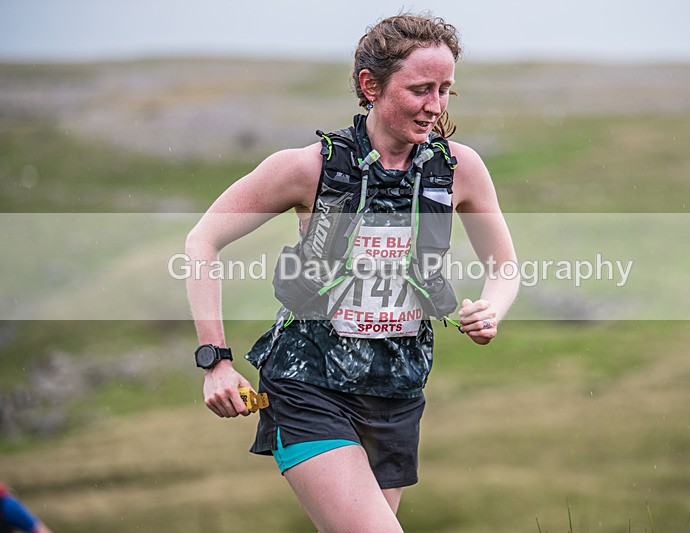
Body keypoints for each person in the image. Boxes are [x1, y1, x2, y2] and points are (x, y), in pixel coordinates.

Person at [186, 12, 518, 532]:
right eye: (421, 89)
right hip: (307, 386)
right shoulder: (307, 167)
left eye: (446, 89)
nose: (436, 106)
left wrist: (490, 309)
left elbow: (504, 265)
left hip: (398, 392)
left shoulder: (460, 169)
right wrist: (215, 361)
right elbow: (202, 241)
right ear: (371, 85)